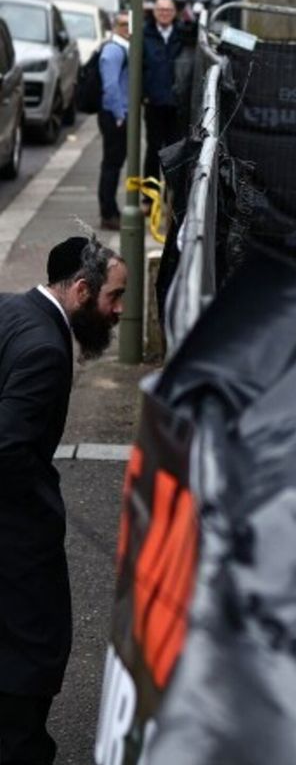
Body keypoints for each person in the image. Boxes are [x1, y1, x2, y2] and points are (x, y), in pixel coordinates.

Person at [0, 236, 127, 764]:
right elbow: (7, 450)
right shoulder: (46, 350)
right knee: (32, 653)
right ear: (80, 289)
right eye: (114, 297)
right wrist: (39, 507)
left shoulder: (11, 309)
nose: (119, 311)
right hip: (15, 541)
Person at [142, 0, 185, 179]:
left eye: (168, 10)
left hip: (177, 104)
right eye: (161, 10)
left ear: (174, 13)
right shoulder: (144, 34)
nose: (164, 14)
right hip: (154, 103)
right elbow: (139, 67)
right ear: (154, 12)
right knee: (153, 150)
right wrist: (144, 94)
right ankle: (149, 198)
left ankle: (172, 199)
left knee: (174, 152)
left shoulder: (183, 34)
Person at [97, 12, 131, 231]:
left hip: (118, 113)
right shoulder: (113, 51)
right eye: (123, 24)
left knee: (114, 164)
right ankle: (108, 213)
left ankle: (110, 211)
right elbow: (110, 87)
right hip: (114, 115)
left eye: (130, 24)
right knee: (111, 165)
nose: (127, 28)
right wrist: (119, 115)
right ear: (114, 26)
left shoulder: (122, 48)